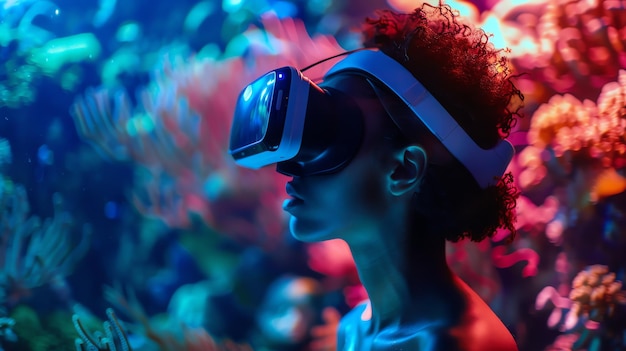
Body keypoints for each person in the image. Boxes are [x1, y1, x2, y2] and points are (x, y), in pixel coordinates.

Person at [230, 3, 522, 351]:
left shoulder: (462, 345)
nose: (289, 169)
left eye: (329, 140)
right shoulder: (351, 331)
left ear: (404, 170)